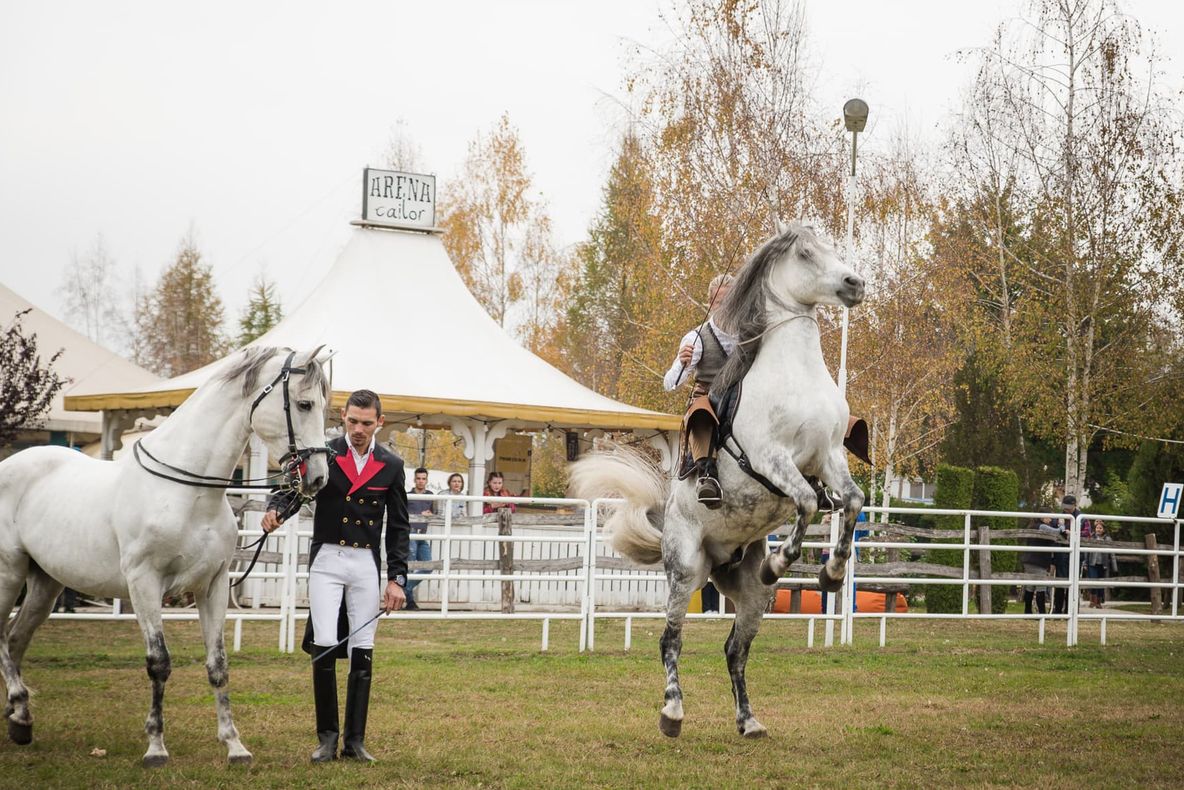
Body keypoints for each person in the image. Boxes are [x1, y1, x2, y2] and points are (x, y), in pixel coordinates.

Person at [262, 389, 409, 764]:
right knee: (325, 642)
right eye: (352, 421)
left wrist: (397, 578)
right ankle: (326, 738)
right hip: (327, 559)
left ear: (379, 422)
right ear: (343, 416)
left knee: (363, 647)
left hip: (365, 563)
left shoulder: (392, 465)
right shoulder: (323, 453)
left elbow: (399, 527)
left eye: (366, 423)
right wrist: (276, 510)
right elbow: (291, 491)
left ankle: (354, 741)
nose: (358, 429)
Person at [663, 274, 735, 509]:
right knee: (699, 413)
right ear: (710, 304)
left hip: (742, 396)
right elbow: (670, 384)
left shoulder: (750, 334)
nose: (725, 307)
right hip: (709, 397)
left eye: (730, 301)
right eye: (719, 302)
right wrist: (682, 362)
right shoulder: (696, 337)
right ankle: (707, 475)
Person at [404, 467, 434, 611]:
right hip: (411, 533)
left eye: (423, 479)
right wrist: (419, 514)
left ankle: (405, 589)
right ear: (414, 479)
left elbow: (435, 513)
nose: (421, 481)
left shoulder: (430, 496)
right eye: (418, 478)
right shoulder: (408, 495)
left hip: (423, 534)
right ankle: (410, 601)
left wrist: (430, 514)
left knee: (428, 566)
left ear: (427, 480)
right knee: (410, 566)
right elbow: (403, 514)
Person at [1019, 509, 1060, 615]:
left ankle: (1028, 611)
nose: (1050, 520)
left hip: (1030, 560)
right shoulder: (1042, 526)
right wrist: (1062, 527)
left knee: (1030, 587)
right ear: (1042, 517)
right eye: (1048, 517)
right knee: (1041, 587)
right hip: (1037, 561)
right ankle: (1042, 613)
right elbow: (1056, 532)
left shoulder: (1032, 526)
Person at [1052, 495, 1080, 615]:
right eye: (1065, 507)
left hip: (1076, 554)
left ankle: (1071, 610)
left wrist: (1073, 533)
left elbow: (1086, 534)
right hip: (1061, 553)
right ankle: (1057, 610)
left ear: (1074, 505)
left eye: (1068, 507)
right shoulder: (1059, 517)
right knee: (1060, 582)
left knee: (1073, 583)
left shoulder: (1081, 518)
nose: (1066, 509)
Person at [1085, 520, 1119, 608]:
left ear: (1103, 529)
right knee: (1093, 581)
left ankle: (1098, 602)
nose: (1098, 529)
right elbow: (1086, 551)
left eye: (1100, 528)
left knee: (1100, 583)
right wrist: (1085, 563)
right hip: (1092, 563)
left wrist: (1114, 567)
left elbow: (1112, 553)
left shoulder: (1108, 539)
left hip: (1103, 564)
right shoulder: (1091, 537)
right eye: (1097, 528)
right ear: (1095, 529)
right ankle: (1092, 601)